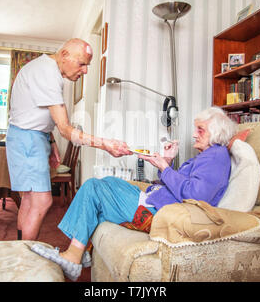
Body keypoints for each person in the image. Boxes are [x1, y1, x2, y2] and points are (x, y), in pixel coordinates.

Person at [29, 106, 238, 281]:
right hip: (155, 199)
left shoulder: (216, 158)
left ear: (217, 132)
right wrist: (168, 162)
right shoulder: (208, 155)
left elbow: (195, 195)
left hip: (157, 212)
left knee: (94, 187)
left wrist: (165, 168)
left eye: (200, 130)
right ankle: (82, 248)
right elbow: (184, 185)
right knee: (108, 182)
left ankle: (73, 256)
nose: (194, 134)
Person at [6, 38, 132, 241]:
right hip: (28, 140)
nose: (85, 70)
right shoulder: (47, 73)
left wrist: (50, 141)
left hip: (28, 138)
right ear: (64, 55)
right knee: (41, 202)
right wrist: (105, 144)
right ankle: (26, 257)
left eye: (87, 65)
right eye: (81, 63)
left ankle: (21, 250)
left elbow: (38, 114)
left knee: (30, 201)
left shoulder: (47, 69)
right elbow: (65, 128)